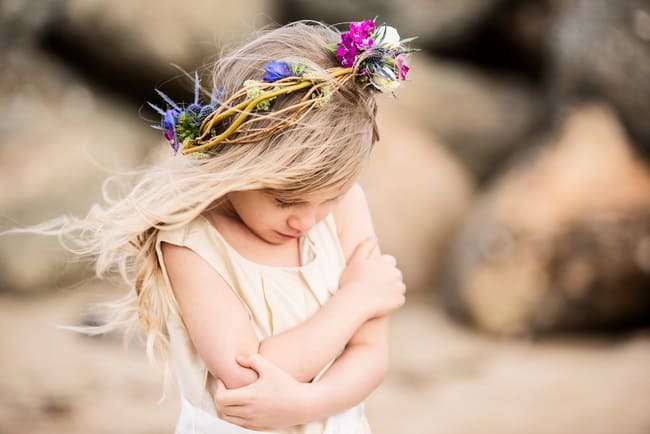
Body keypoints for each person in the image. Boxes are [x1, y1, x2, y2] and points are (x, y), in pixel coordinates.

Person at [41, 19, 413, 434]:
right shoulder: (191, 243)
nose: (306, 220)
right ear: (234, 165)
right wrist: (356, 300)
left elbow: (371, 352)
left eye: (329, 198)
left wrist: (308, 403)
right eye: (285, 200)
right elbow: (247, 376)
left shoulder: (348, 209)